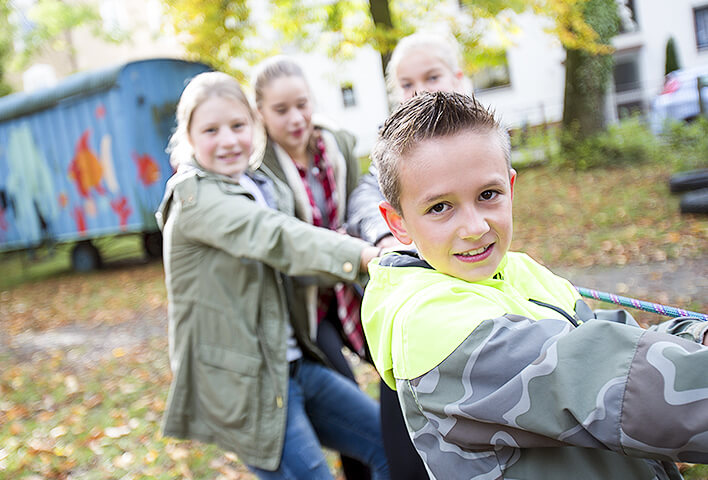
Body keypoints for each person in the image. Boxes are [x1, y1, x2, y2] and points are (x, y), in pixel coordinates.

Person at [362, 90, 708, 479]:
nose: (475, 228)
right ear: (397, 223)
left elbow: (615, 337)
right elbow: (626, 387)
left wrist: (697, 334)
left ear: (510, 189)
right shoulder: (430, 326)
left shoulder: (517, 269)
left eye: (487, 195)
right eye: (439, 207)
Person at [158, 71, 390, 480]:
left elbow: (290, 266)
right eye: (211, 130)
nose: (228, 140)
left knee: (388, 446)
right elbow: (277, 238)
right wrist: (364, 255)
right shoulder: (195, 196)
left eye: (237, 125)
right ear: (189, 136)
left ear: (254, 126)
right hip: (249, 383)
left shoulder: (257, 185)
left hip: (294, 364)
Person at [345, 30, 470, 480]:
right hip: (416, 327)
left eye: (431, 77)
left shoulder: (478, 141)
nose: (418, 91)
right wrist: (387, 238)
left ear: (458, 78)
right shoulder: (395, 153)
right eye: (406, 83)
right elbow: (366, 195)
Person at [251, 54, 376, 480]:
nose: (296, 118)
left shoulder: (337, 145)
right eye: (281, 110)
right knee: (347, 390)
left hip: (352, 285)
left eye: (302, 104)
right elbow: (280, 244)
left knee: (399, 374)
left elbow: (357, 207)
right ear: (261, 114)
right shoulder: (258, 168)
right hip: (305, 301)